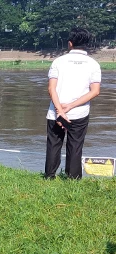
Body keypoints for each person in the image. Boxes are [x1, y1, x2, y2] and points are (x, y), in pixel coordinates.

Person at [45, 28, 101, 180]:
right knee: (75, 146)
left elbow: (51, 88)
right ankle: (73, 179)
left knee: (53, 144)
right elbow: (95, 91)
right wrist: (70, 107)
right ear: (87, 44)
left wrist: (60, 111)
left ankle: (49, 177)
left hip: (55, 112)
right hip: (79, 113)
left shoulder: (58, 61)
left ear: (70, 43)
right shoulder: (93, 64)